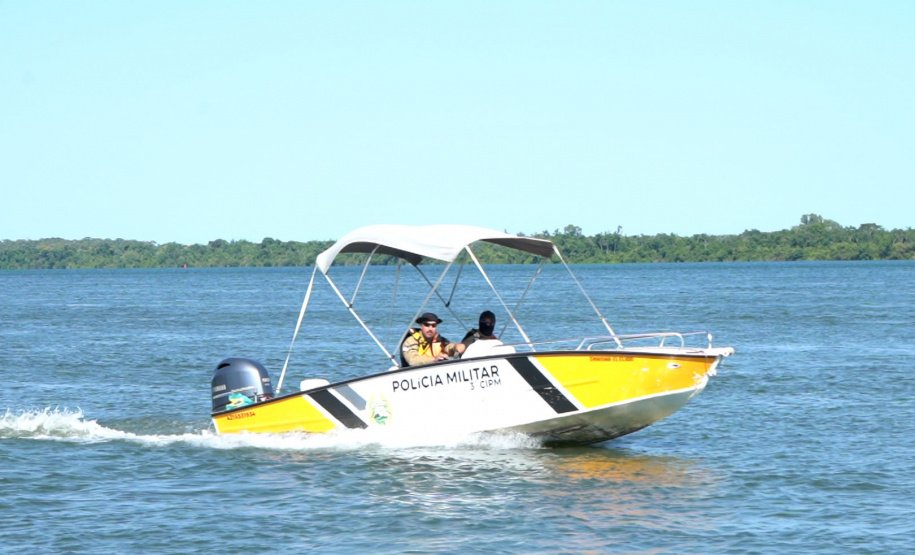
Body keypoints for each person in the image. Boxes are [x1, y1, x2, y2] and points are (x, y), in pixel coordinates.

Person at [401, 312, 465, 366]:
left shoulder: (440, 340)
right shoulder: (411, 341)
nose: (430, 329)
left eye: (433, 326)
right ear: (421, 325)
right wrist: (434, 359)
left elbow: (448, 347)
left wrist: (456, 347)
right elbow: (412, 360)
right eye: (427, 325)